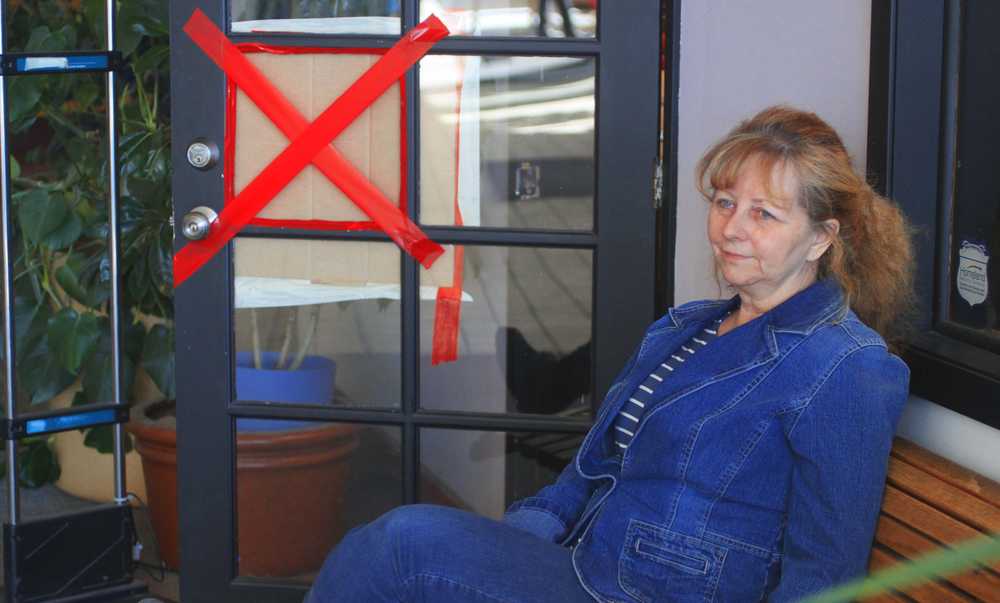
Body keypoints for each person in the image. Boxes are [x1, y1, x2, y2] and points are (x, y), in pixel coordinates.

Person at [304, 105, 914, 602]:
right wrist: (512, 541)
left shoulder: (846, 366)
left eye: (765, 214)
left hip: (644, 593)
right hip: (589, 566)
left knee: (403, 547)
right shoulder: (688, 326)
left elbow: (825, 573)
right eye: (725, 203)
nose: (732, 228)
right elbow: (592, 469)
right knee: (401, 547)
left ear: (821, 238)